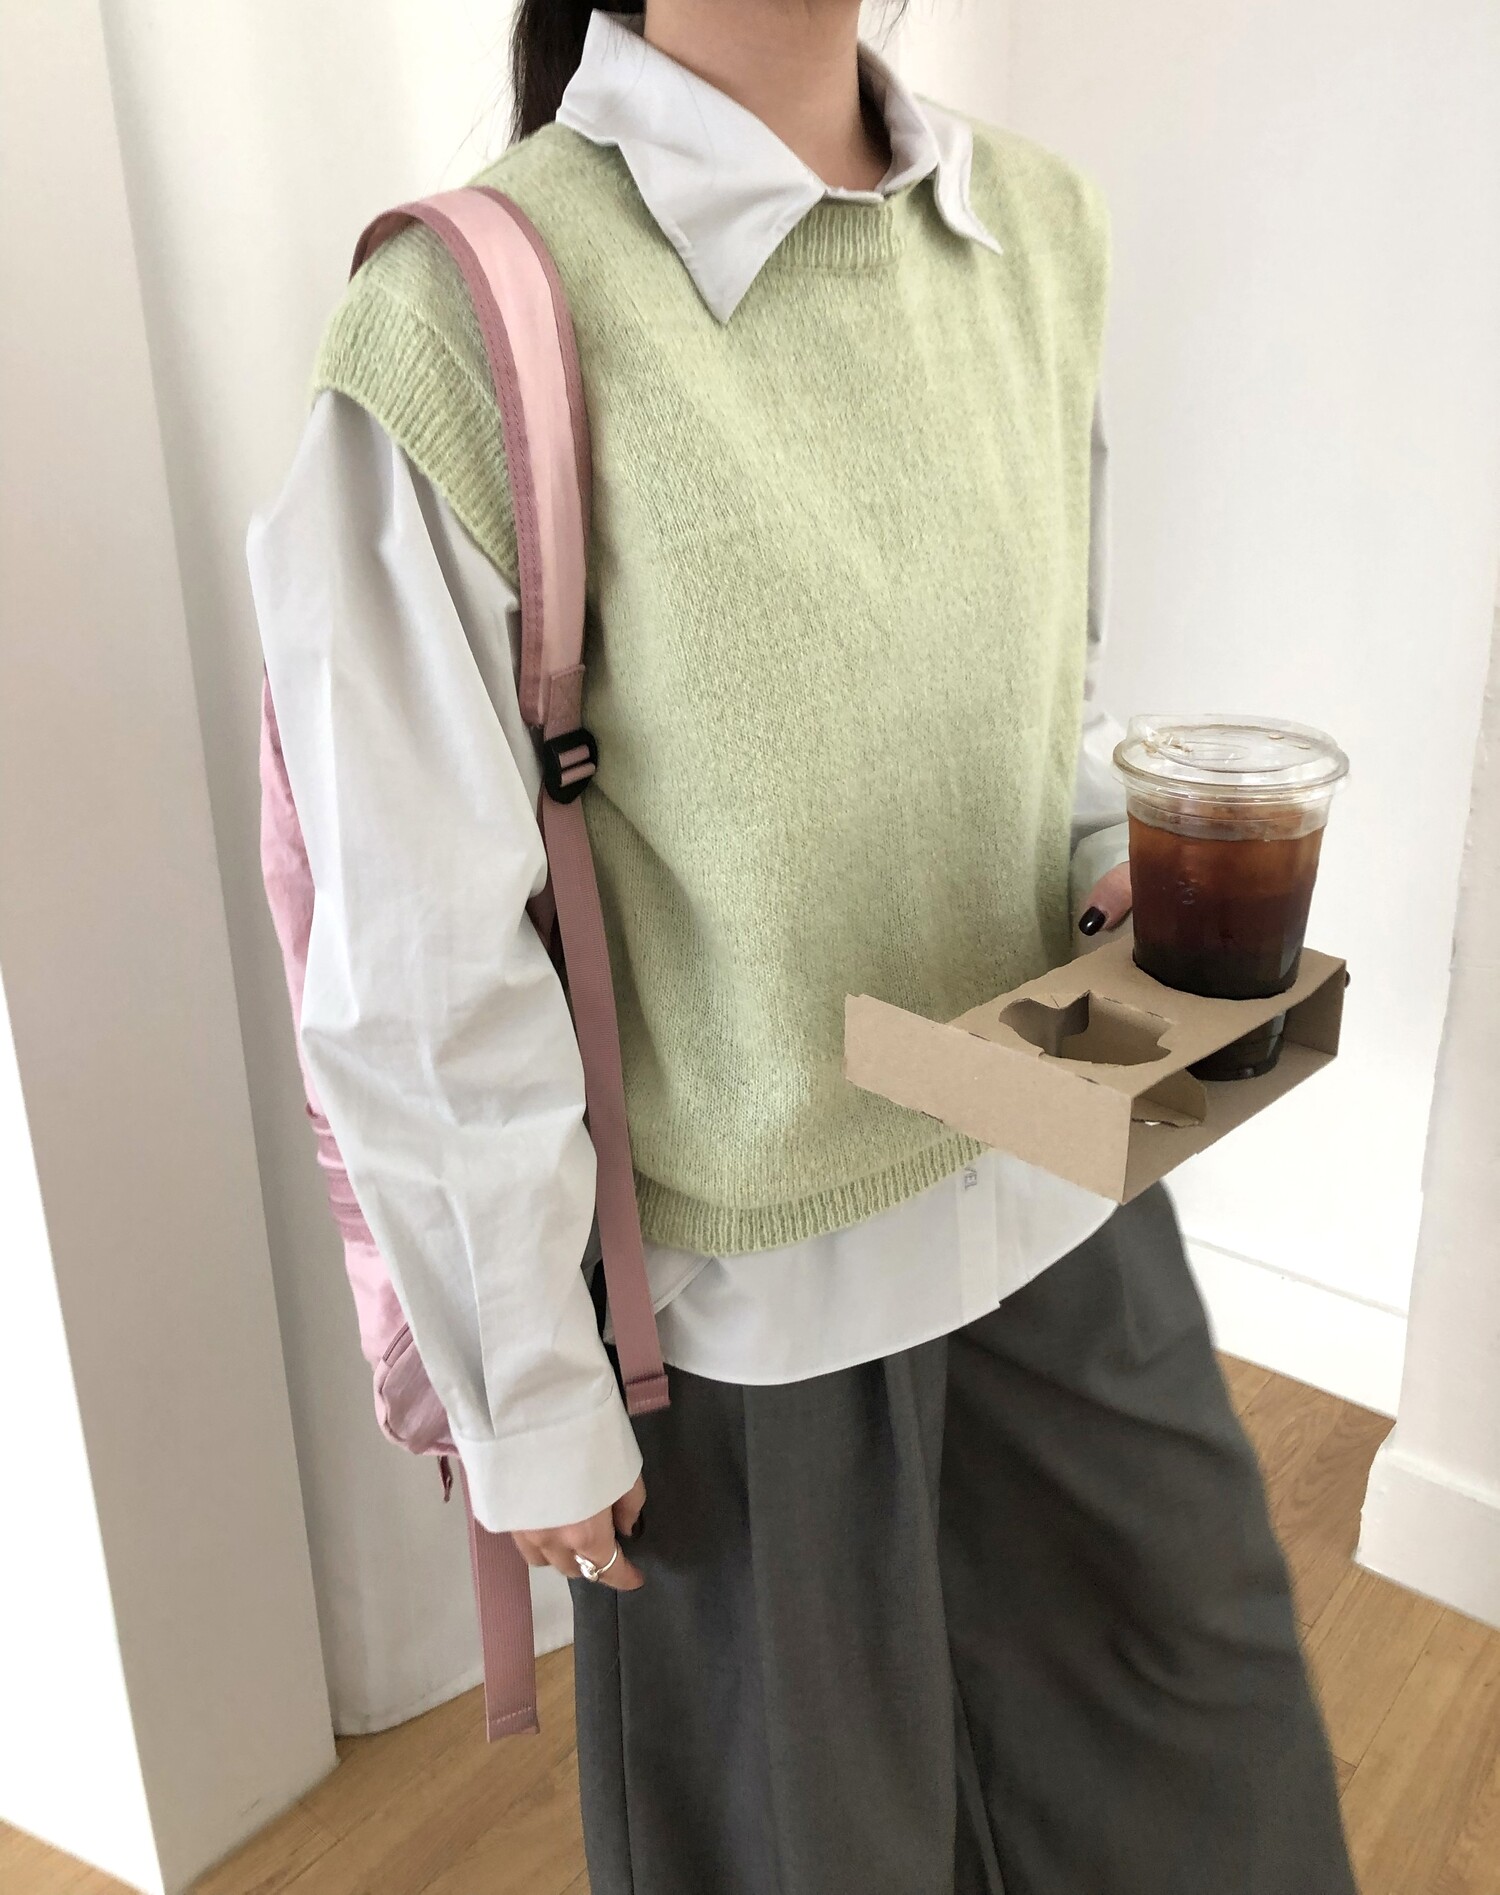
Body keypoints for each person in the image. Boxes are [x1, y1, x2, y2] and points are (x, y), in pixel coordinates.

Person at [247, 5, 1358, 1890]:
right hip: (756, 1326)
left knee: (1213, 1810)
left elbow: (1045, 711)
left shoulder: (1040, 229)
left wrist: (1120, 861)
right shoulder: (463, 323)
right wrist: (531, 1399)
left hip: (1071, 1223)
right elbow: (419, 959)